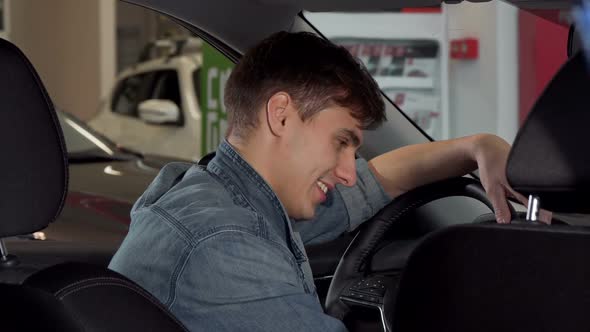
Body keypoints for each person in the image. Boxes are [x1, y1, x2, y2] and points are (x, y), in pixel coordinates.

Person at [109, 31, 526, 331]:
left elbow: (377, 182)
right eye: (342, 142)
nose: (348, 170)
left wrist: (476, 147)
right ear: (282, 114)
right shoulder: (224, 243)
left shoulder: (215, 194)